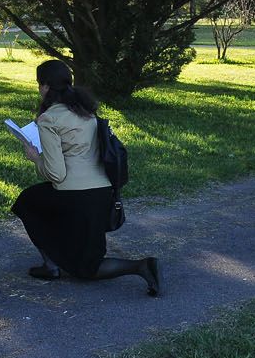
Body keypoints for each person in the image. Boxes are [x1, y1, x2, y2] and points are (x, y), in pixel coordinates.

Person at [11, 60, 160, 296]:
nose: (39, 89)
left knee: (27, 203)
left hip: (74, 195)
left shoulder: (49, 119)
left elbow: (56, 174)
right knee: (37, 201)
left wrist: (35, 158)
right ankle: (58, 260)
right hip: (102, 193)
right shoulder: (85, 111)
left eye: (40, 84)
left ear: (46, 87)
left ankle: (137, 266)